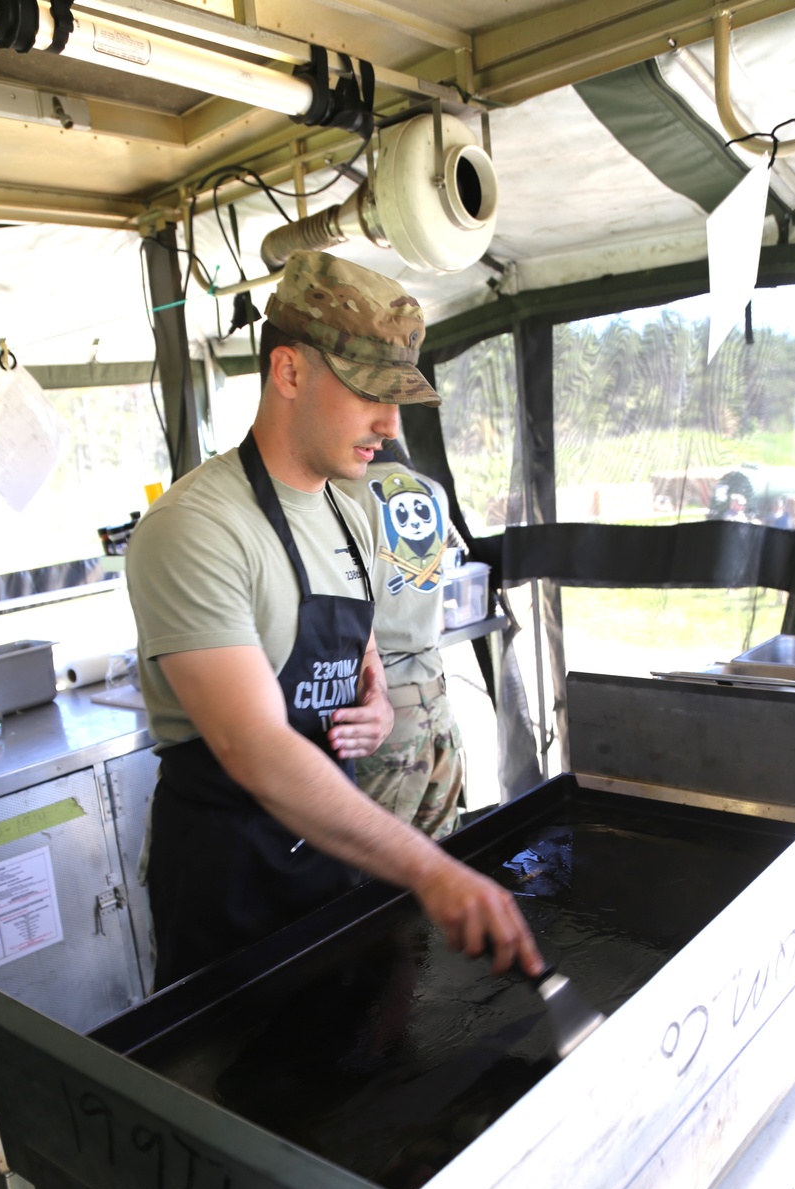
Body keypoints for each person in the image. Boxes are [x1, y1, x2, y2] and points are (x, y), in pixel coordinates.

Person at [126, 249, 540, 990]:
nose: (389, 423)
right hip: (233, 890)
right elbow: (253, 747)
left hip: (334, 861)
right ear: (288, 372)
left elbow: (360, 659)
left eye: (400, 398)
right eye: (368, 393)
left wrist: (375, 707)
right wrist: (431, 868)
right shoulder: (197, 527)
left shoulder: (348, 513)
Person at [338, 443, 464, 838]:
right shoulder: (434, 491)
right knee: (444, 862)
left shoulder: (340, 494)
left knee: (377, 871)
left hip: (382, 712)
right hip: (437, 703)